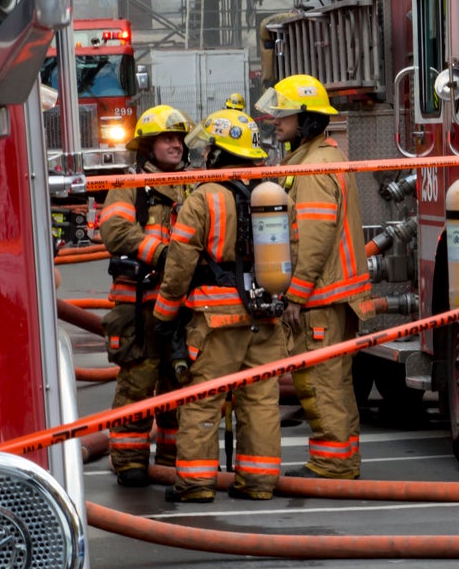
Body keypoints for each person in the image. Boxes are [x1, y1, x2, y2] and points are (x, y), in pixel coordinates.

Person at [150, 108, 287, 503]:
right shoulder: (272, 194)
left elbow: (179, 266)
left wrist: (164, 316)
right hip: (265, 317)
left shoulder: (202, 198)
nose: (204, 154)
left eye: (209, 148)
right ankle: (258, 483)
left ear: (219, 152)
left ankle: (196, 484)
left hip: (215, 321)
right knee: (261, 401)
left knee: (202, 400)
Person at [256, 74, 371, 480]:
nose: (276, 120)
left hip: (322, 297)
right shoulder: (320, 157)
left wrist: (296, 296)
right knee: (334, 381)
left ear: (305, 119)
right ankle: (342, 459)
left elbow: (313, 239)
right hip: (332, 295)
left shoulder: (313, 168)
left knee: (320, 382)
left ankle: (332, 463)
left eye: (284, 114)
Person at [96, 105, 192, 487]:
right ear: (148, 146)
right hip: (139, 306)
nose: (176, 144)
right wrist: (162, 254)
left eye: (179, 138)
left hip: (183, 305)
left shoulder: (195, 184)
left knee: (178, 386)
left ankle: (171, 459)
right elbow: (114, 230)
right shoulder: (130, 185)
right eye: (167, 138)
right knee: (137, 385)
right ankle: (129, 461)